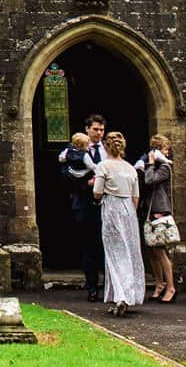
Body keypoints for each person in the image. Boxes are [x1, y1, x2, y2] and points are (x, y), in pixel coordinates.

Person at [95, 131, 145, 316]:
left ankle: (121, 296)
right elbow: (136, 197)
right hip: (128, 211)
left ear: (106, 146)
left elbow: (97, 193)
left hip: (112, 208)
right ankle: (123, 295)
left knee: (114, 253)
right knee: (129, 252)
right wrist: (130, 212)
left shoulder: (103, 166)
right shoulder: (131, 168)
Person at [61, 115, 107, 301]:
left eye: (102, 130)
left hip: (106, 204)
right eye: (95, 129)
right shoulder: (72, 151)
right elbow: (66, 176)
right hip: (84, 204)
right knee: (89, 247)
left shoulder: (108, 150)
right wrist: (86, 184)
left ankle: (111, 287)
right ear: (87, 129)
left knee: (108, 246)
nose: (99, 133)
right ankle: (92, 287)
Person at [138, 134, 179, 304]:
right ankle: (159, 283)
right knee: (152, 252)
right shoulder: (153, 165)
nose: (166, 153)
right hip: (148, 211)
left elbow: (149, 180)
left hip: (159, 210)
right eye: (164, 149)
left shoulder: (164, 168)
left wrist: (151, 164)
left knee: (161, 252)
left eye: (166, 149)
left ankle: (170, 287)